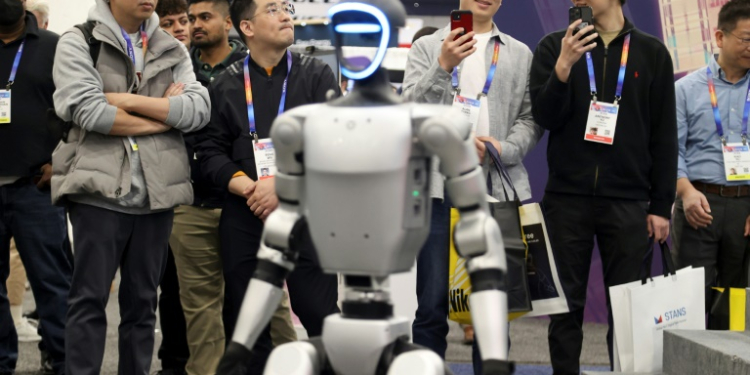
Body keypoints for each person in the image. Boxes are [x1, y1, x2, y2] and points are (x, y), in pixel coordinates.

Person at [51, 0, 211, 372]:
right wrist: (165, 116)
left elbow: (199, 109)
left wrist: (127, 101)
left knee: (143, 305)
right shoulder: (80, 41)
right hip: (98, 192)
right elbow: (89, 111)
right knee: (88, 301)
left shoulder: (169, 45)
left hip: (158, 195)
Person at [529, 0, 677, 373]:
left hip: (628, 202)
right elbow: (545, 117)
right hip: (566, 199)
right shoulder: (553, 47)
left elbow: (664, 136)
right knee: (565, 310)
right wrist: (564, 65)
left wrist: (660, 205)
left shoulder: (652, 52)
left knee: (626, 311)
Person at [197, 0, 340, 372]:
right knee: (248, 321)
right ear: (247, 27)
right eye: (273, 9)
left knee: (320, 314)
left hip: (306, 213)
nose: (286, 15)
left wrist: (284, 185)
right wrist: (250, 188)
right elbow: (209, 152)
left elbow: (333, 143)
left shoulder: (317, 76)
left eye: (287, 7)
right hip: (245, 214)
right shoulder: (226, 84)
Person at [401, 0, 542, 372]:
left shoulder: (519, 53)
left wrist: (503, 148)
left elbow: (530, 120)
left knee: (493, 305)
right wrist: (443, 65)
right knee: (430, 306)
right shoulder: (429, 47)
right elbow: (406, 112)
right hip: (435, 186)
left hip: (492, 185)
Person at [0, 1, 73, 374]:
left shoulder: (54, 46)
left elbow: (76, 110)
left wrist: (60, 161)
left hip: (36, 188)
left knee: (52, 282)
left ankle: (61, 360)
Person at [674, 0, 750, 317]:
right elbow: (670, 151)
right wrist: (687, 192)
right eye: (746, 38)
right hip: (698, 204)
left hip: (744, 211)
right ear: (720, 37)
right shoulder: (686, 89)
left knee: (733, 306)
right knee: (690, 303)